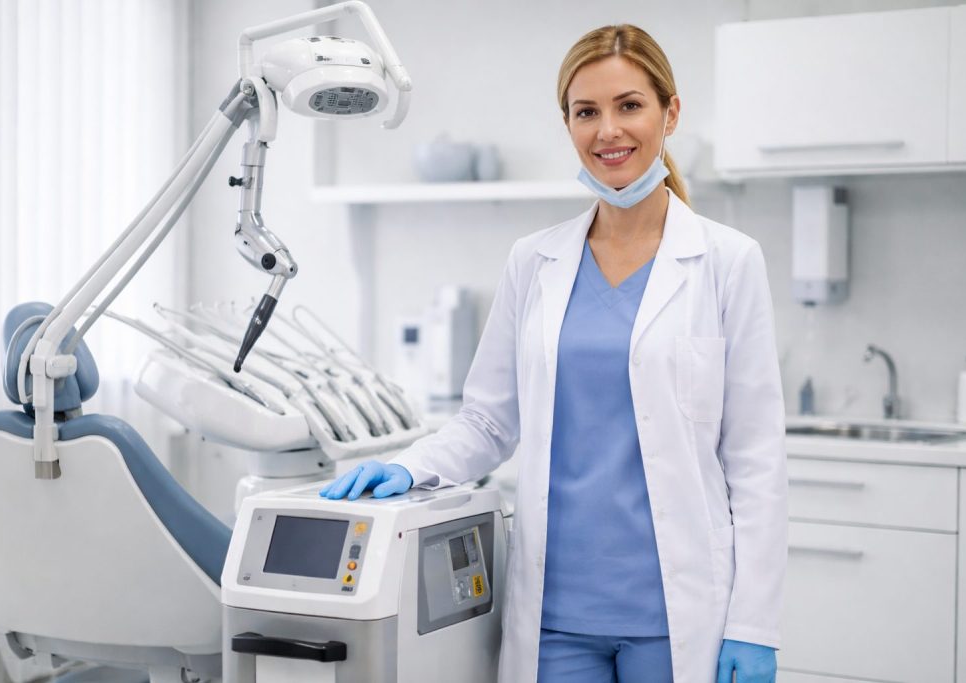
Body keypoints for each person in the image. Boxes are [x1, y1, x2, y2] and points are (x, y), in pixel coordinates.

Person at [320, 24, 787, 683]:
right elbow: (489, 420)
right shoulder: (534, 261)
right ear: (567, 123)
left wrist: (753, 625)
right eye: (586, 111)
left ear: (670, 113)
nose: (608, 131)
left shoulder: (726, 261)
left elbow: (756, 458)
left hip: (678, 612)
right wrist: (409, 465)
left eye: (629, 105)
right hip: (555, 616)